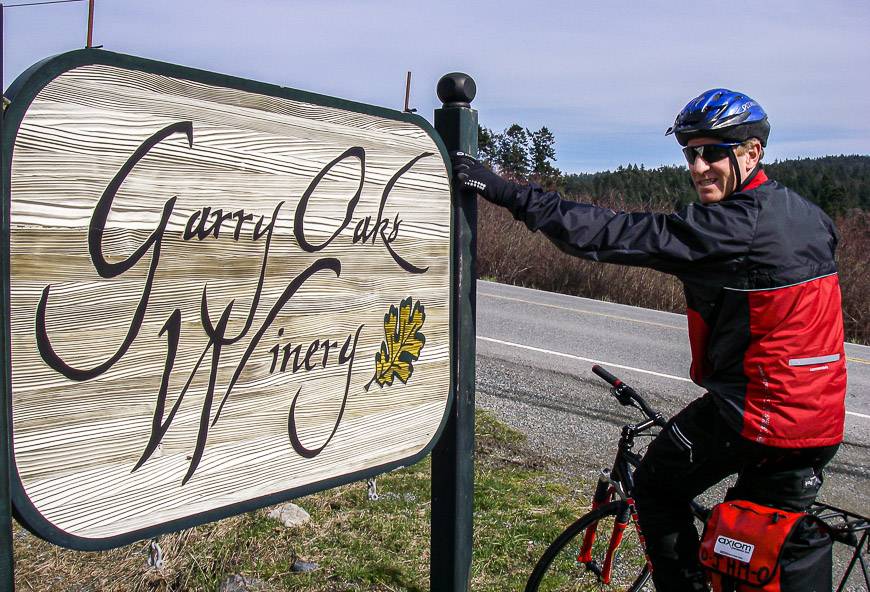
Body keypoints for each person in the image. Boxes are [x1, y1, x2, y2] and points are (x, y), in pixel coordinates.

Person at [452, 88, 847, 591]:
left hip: (758, 415)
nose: (699, 166)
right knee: (751, 542)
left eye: (713, 151)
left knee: (657, 489)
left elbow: (607, 233)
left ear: (752, 152)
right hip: (820, 420)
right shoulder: (808, 215)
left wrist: (504, 191)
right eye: (691, 152)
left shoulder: (732, 226)